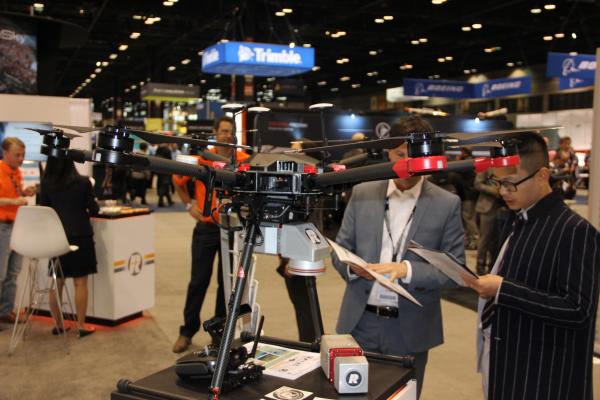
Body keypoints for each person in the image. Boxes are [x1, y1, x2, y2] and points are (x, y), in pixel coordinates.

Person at [332, 116, 465, 399]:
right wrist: (353, 268)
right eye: (399, 154)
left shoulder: (446, 203)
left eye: (414, 156)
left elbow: (456, 271)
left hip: (410, 328)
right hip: (360, 323)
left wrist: (407, 270)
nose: (407, 163)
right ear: (388, 152)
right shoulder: (363, 193)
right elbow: (340, 248)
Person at [463, 132, 600, 400]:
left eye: (511, 184)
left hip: (543, 380)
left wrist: (503, 290)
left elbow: (578, 310)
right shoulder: (518, 218)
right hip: (506, 366)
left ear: (542, 175)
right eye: (498, 182)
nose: (503, 192)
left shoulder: (575, 231)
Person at [172, 116, 249, 353]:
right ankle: (187, 331)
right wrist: (189, 205)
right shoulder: (201, 158)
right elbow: (177, 179)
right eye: (223, 131)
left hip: (232, 228)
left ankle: (219, 331)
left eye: (230, 131)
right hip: (206, 228)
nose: (227, 135)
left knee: (226, 283)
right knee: (198, 281)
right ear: (215, 133)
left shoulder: (243, 159)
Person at [40, 157, 99, 337]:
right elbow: (94, 209)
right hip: (81, 235)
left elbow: (44, 209)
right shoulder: (83, 183)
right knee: (81, 282)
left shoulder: (47, 184)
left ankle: (58, 325)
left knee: (57, 282)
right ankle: (81, 325)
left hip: (57, 237)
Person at [0, 137, 36, 323]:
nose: (21, 159)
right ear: (5, 153)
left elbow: (15, 194)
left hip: (16, 225)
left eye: (23, 155)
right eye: (17, 155)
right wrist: (13, 201)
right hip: (2, 226)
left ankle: (6, 311)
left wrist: (24, 193)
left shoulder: (17, 173)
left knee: (13, 272)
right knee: (1, 272)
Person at [474, 170, 503, 275]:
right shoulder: (486, 165)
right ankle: (480, 265)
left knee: (497, 240)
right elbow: (477, 184)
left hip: (503, 208)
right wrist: (493, 191)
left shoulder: (506, 165)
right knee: (484, 239)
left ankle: (493, 266)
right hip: (487, 208)